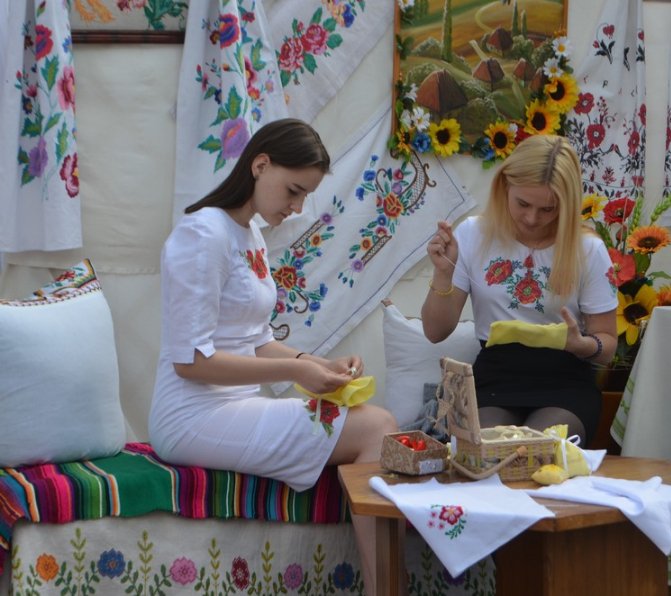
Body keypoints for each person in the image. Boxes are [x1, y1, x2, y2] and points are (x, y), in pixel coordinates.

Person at [148, 118, 397, 594]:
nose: (297, 207)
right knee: (376, 427)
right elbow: (191, 362)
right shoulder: (203, 234)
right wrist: (295, 369)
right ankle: (383, 588)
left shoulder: (249, 236)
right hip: (191, 416)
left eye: (305, 197)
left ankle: (382, 585)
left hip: (233, 406)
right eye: (294, 191)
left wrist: (319, 364)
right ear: (260, 165)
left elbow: (255, 339)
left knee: (376, 424)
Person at [420, 135, 618, 445]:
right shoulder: (473, 233)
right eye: (523, 204)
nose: (532, 218)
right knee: (489, 451)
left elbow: (607, 345)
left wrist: (581, 345)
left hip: (566, 380)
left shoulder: (588, 248)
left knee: (540, 450)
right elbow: (435, 332)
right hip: (495, 377)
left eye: (548, 209)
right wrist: (443, 273)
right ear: (504, 186)